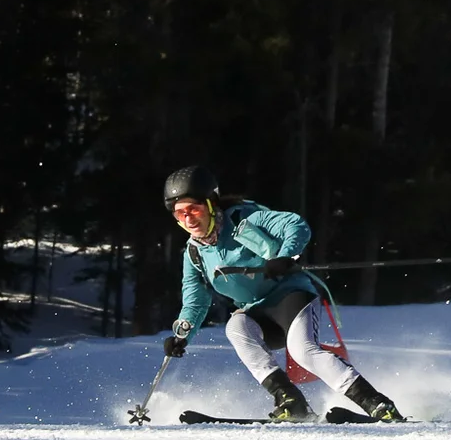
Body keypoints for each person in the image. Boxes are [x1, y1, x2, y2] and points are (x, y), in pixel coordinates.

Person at [160, 164, 404, 422]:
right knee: (236, 326)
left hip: (290, 296)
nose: (188, 219)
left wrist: (285, 255)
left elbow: (295, 225)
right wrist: (182, 334)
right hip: (258, 310)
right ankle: (290, 401)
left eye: (194, 209)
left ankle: (377, 404)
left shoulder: (245, 219)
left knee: (303, 351)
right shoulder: (194, 253)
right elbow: (195, 301)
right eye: (180, 213)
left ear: (210, 204)